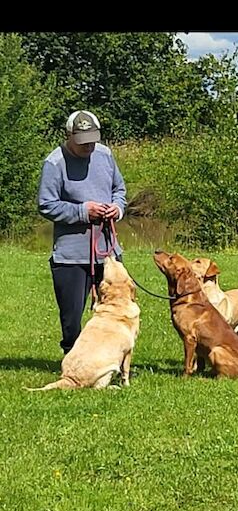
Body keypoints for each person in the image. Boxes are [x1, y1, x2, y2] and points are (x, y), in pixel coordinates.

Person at [38, 110, 127, 355]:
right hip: (71, 254)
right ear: (69, 136)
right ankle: (74, 362)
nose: (88, 145)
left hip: (108, 250)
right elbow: (46, 204)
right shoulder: (54, 162)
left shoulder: (105, 154)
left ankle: (111, 360)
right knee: (72, 319)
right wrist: (83, 211)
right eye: (83, 141)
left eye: (92, 139)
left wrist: (116, 208)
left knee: (116, 308)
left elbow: (119, 189)